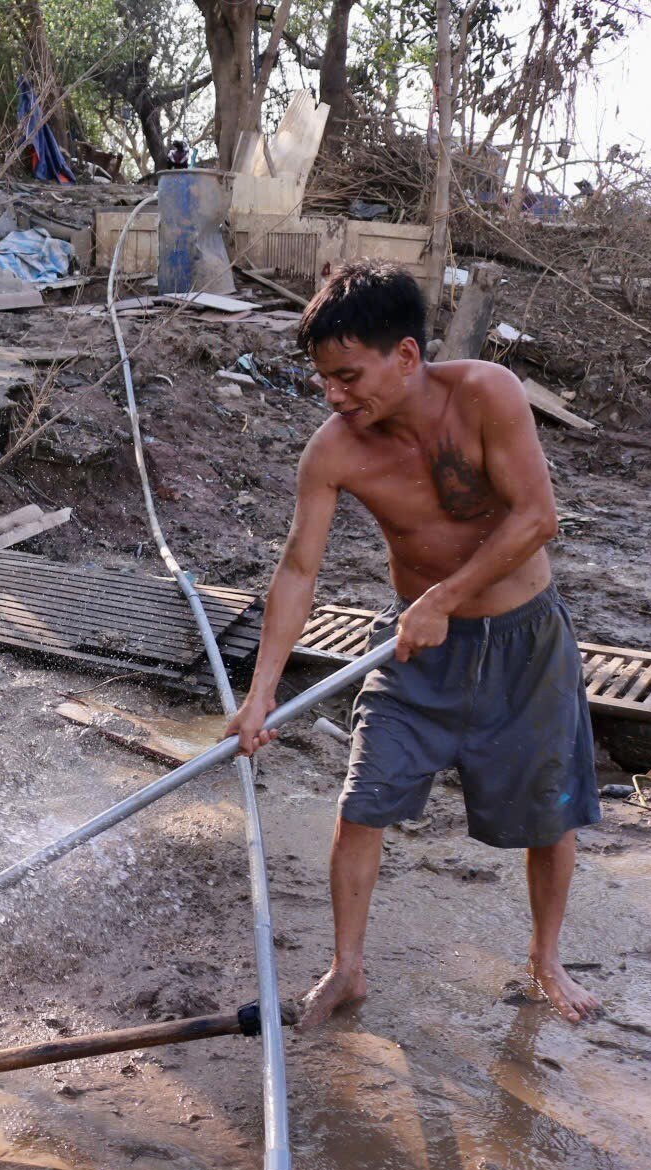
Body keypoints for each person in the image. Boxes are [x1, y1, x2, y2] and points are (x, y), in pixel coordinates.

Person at [224, 260, 603, 1028]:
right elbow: (299, 569)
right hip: (412, 649)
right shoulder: (335, 450)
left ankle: (545, 955)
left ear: (404, 354)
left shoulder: (486, 394)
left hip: (524, 644)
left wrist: (445, 596)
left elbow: (536, 518)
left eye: (348, 375)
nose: (334, 395)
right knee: (362, 801)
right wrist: (262, 688)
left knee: (548, 812)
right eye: (324, 379)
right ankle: (347, 969)